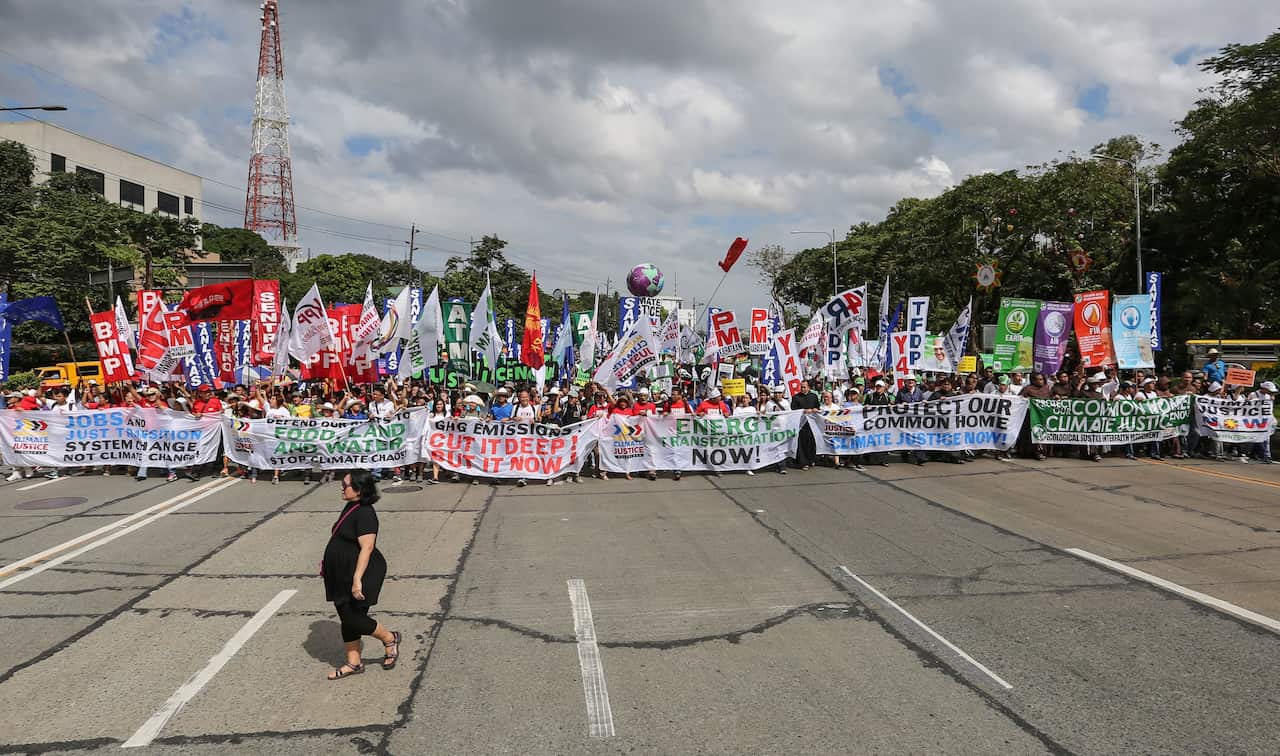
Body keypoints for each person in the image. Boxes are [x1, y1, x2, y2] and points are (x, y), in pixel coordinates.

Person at [322, 470, 401, 680]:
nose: (341, 487)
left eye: (345, 484)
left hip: (362, 573)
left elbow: (367, 548)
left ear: (358, 489)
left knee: (353, 618)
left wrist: (357, 579)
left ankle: (389, 638)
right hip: (342, 572)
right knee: (346, 617)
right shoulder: (352, 506)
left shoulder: (365, 513)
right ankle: (354, 663)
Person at [790, 380, 820, 469]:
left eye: (804, 387)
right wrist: (804, 411)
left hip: (812, 424)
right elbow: (793, 409)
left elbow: (817, 407)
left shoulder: (813, 396)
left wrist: (815, 409)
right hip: (801, 424)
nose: (802, 389)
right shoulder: (796, 397)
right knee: (801, 443)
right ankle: (803, 462)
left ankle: (811, 460)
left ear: (808, 387)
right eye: (801, 387)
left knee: (811, 442)